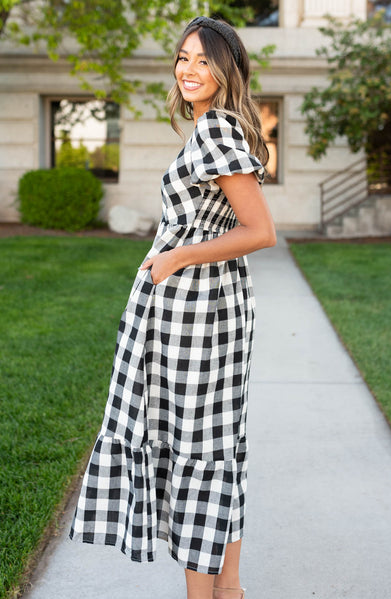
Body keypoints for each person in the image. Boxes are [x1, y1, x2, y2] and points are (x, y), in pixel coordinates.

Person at [69, 15, 276, 599]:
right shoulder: (218, 128)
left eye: (203, 60)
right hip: (206, 303)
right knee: (214, 445)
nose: (189, 70)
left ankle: (202, 594)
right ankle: (227, 588)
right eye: (183, 58)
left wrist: (177, 258)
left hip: (196, 308)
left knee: (195, 446)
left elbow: (261, 231)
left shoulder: (216, 133)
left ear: (226, 68)